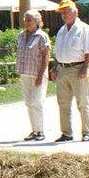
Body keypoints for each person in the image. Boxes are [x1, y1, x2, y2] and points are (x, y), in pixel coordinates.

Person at [52, 0, 89, 142]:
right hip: (62, 68)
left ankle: (86, 132)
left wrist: (85, 68)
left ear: (75, 12)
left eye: (66, 11)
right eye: (61, 12)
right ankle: (66, 133)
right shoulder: (61, 30)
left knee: (82, 101)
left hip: (78, 67)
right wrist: (55, 68)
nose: (64, 14)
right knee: (63, 102)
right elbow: (57, 52)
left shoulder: (84, 29)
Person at [16, 9, 51, 142]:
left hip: (37, 74)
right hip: (25, 72)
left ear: (37, 21)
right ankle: (34, 130)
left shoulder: (42, 36)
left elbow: (45, 56)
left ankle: (41, 130)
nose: (27, 22)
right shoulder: (21, 35)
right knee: (28, 103)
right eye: (25, 20)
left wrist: (41, 75)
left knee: (37, 102)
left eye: (29, 20)